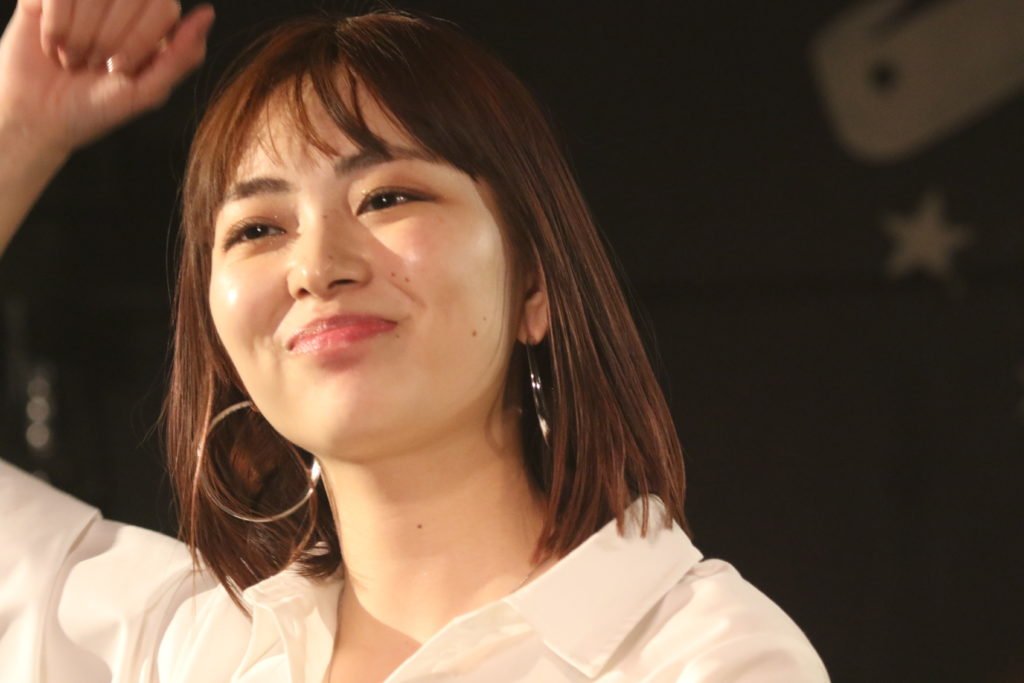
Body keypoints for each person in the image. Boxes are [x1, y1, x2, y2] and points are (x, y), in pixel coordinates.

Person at [0, 1, 830, 681]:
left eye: (387, 197)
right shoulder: (179, 647)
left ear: (534, 284)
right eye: (258, 228)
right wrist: (21, 126)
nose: (316, 267)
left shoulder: (700, 657)